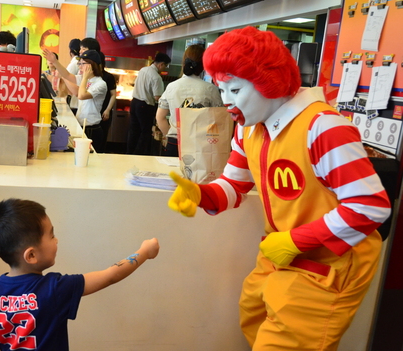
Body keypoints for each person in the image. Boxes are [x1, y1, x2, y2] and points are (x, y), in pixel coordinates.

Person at [167, 26, 391, 350]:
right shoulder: (249, 129)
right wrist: (201, 194)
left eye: (235, 90)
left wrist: (296, 240)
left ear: (266, 81)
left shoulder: (323, 128)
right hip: (279, 256)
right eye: (222, 90)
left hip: (328, 265)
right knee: (252, 317)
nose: (227, 102)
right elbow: (234, 184)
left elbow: (370, 207)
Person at [0, 198, 159, 350]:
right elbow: (111, 275)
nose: (56, 240)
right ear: (31, 255)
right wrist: (144, 252)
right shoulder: (54, 289)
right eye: (51, 236)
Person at [156, 45, 223, 157]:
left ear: (184, 62)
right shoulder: (210, 89)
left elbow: (160, 117)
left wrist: (169, 135)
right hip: (200, 144)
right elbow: (220, 119)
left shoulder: (172, 87)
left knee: (172, 174)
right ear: (203, 65)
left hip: (174, 143)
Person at [43, 49, 107, 152]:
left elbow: (81, 95)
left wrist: (85, 77)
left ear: (92, 65)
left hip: (92, 128)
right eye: (79, 63)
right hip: (82, 125)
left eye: (83, 63)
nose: (79, 66)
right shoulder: (84, 79)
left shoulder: (100, 84)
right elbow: (67, 75)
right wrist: (55, 62)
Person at [127, 52, 171, 155]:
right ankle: (139, 155)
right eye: (165, 66)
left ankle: (129, 153)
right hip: (145, 106)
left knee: (133, 130)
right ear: (161, 64)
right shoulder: (156, 77)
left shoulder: (143, 70)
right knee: (145, 132)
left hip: (134, 103)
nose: (165, 68)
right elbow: (157, 97)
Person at [99, 52, 117, 153]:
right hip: (93, 113)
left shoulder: (108, 77)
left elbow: (113, 95)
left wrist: (108, 110)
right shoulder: (89, 77)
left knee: (102, 138)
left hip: (104, 112)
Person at [66, 38, 80, 115]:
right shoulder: (79, 62)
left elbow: (65, 78)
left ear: (70, 50)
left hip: (74, 102)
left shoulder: (74, 63)